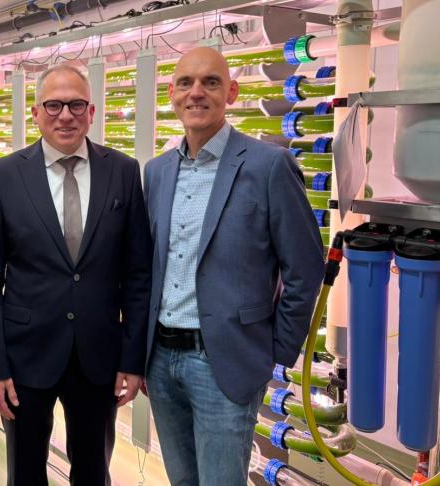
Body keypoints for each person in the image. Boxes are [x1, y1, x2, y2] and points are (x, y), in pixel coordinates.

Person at [143, 46, 325, 485]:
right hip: (161, 361)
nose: (196, 92)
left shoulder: (269, 166)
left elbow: (305, 269)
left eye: (211, 82)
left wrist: (273, 351)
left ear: (232, 92)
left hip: (225, 364)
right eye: (185, 83)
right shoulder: (157, 171)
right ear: (171, 94)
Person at [0, 64, 152, 485]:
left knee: (93, 471)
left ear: (91, 112)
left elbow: (138, 275)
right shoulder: (4, 175)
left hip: (99, 355)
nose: (65, 115)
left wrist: (132, 360)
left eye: (75, 105)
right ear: (36, 113)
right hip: (25, 356)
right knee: (25, 473)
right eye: (53, 105)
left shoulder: (123, 172)